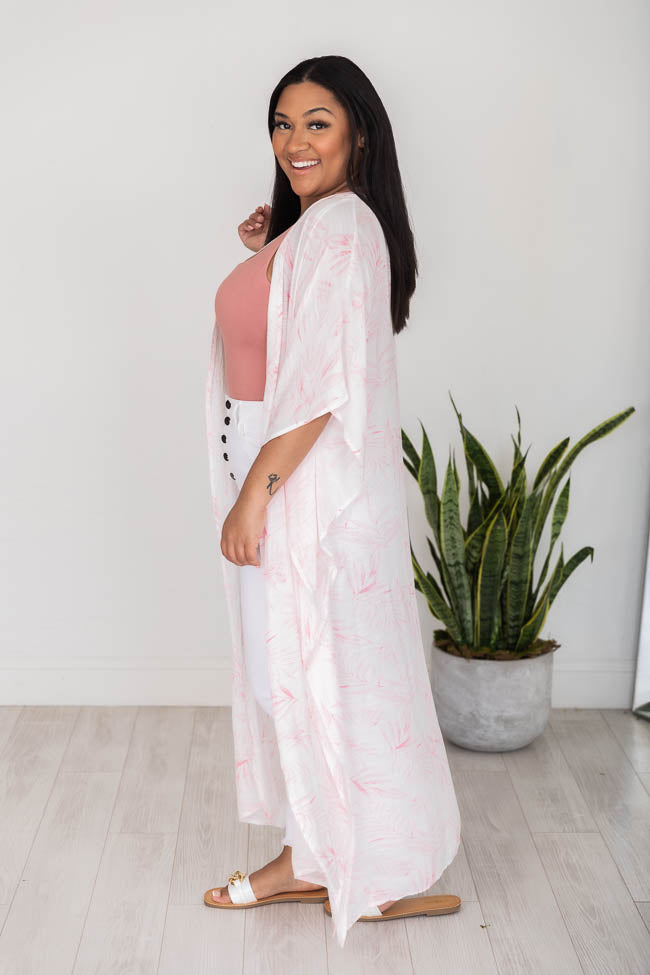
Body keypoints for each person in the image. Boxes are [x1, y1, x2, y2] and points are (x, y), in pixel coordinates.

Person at [204, 55, 461, 948]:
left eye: (317, 122)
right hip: (278, 473)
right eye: (283, 123)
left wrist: (255, 495)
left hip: (296, 485)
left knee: (317, 674)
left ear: (359, 132)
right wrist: (273, 252)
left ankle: (363, 866)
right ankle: (316, 852)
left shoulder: (343, 227)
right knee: (294, 676)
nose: (295, 140)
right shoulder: (320, 228)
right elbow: (298, 333)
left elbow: (318, 386)